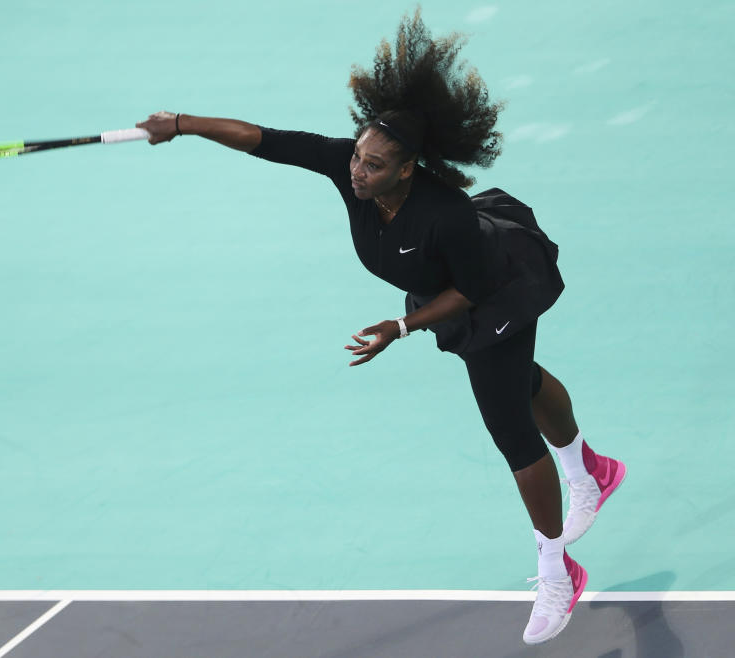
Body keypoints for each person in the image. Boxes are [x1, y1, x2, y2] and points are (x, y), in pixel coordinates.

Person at [136, 8, 625, 646]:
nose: (355, 171)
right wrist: (182, 124)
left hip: (494, 291)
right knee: (521, 382)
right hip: (444, 291)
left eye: (372, 165)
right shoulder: (350, 169)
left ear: (405, 170)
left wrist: (402, 325)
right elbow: (268, 140)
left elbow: (471, 292)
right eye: (357, 157)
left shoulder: (444, 214)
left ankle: (559, 568)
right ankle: (590, 471)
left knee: (507, 422)